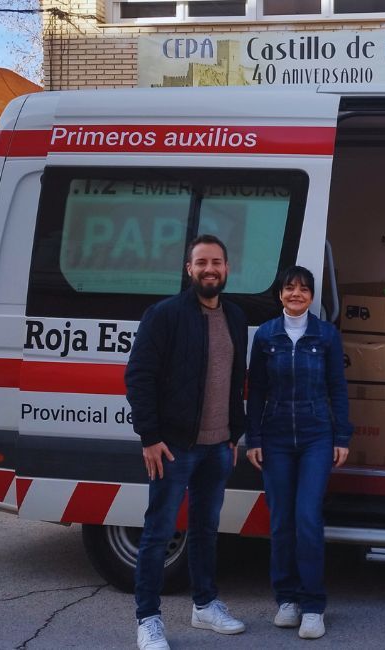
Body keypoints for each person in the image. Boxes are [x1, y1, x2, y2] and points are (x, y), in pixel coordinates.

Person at [125, 234, 248, 650]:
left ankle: (205, 605)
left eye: (216, 262)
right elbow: (138, 376)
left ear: (226, 269)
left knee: (205, 530)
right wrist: (150, 437)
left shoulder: (234, 317)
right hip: (174, 446)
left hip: (218, 447)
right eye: (201, 262)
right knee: (158, 532)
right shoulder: (164, 315)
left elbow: (233, 383)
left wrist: (234, 432)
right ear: (189, 270)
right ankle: (148, 619)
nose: (209, 269)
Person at [245, 265, 352, 641]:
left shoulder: (326, 335)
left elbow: (337, 388)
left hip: (316, 438)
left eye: (303, 289)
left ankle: (312, 606)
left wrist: (342, 436)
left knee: (307, 517)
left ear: (311, 296)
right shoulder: (265, 335)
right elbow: (256, 389)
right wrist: (253, 438)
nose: (296, 294)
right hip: (274, 439)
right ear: (280, 295)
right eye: (289, 288)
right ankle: (286, 600)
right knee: (280, 522)